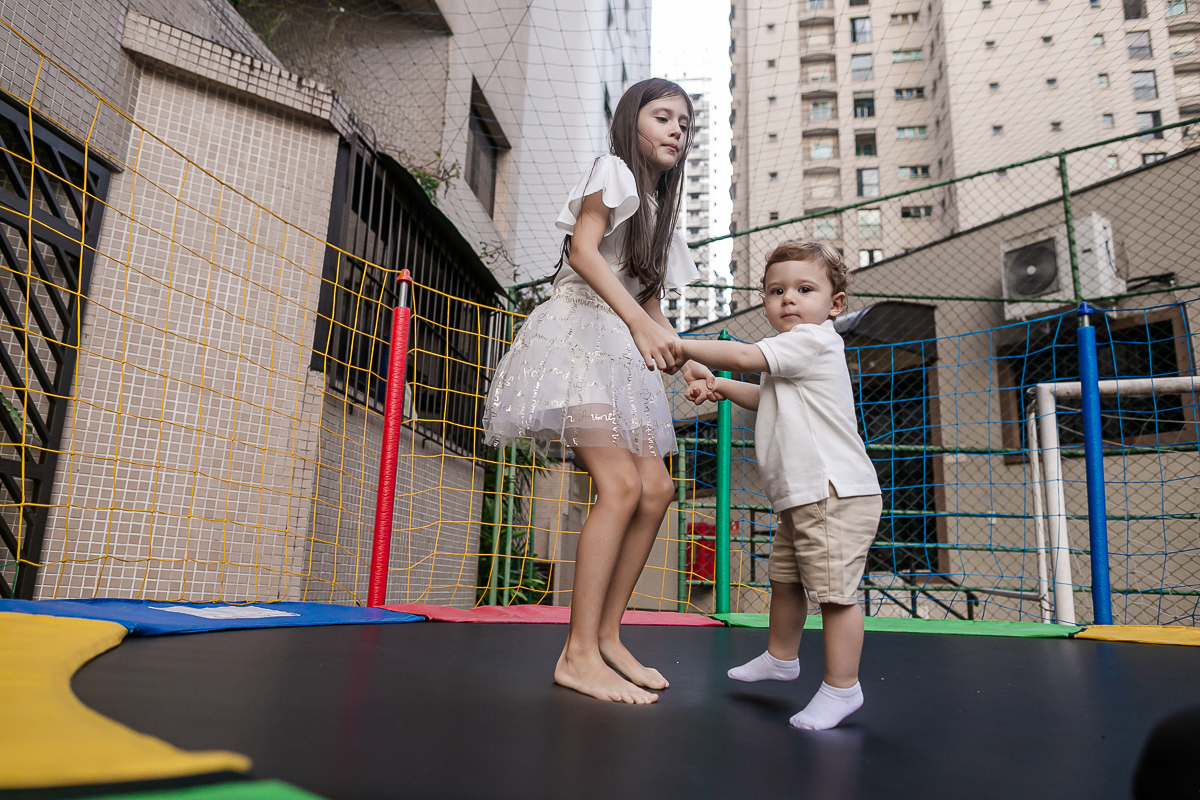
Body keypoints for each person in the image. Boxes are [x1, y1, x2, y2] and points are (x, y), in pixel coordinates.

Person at [482, 79, 712, 704]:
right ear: (631, 122)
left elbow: (651, 303)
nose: (675, 131)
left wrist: (687, 361)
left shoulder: (661, 213)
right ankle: (577, 653)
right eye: (662, 117)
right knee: (620, 485)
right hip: (576, 339)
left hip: (617, 348)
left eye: (684, 125)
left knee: (657, 487)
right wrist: (638, 323)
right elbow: (584, 252)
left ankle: (607, 637)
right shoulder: (610, 169)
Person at [676, 241, 882, 730]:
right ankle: (781, 657)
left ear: (833, 305)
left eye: (804, 289)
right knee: (785, 578)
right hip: (803, 497)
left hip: (833, 494)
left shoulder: (812, 341)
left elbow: (746, 356)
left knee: (834, 595)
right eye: (775, 291)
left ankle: (842, 688)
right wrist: (719, 386)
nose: (788, 299)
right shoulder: (792, 357)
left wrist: (680, 344)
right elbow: (762, 393)